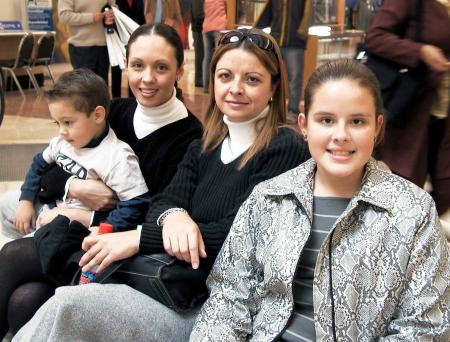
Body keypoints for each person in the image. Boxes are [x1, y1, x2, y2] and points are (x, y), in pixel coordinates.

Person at [13, 28, 310, 341]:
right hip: (163, 271)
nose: (235, 89)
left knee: (66, 302)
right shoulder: (205, 146)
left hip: (208, 300)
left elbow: (240, 233)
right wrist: (174, 216)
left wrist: (141, 238)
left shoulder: (283, 147)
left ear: (274, 86)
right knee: (28, 295)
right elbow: (162, 202)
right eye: (225, 76)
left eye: (252, 79)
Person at [190, 59, 450, 341]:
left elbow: (426, 328)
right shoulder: (268, 198)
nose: (341, 135)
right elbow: (228, 300)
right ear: (304, 124)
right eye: (326, 120)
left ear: (377, 127)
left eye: (357, 121)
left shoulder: (412, 211)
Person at [0, 23, 203, 339]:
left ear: (179, 69)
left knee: (14, 258)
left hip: (119, 244)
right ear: (126, 64)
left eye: (160, 67)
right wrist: (75, 187)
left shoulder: (190, 138)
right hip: (76, 225)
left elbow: (156, 214)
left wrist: (90, 215)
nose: (146, 78)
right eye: (137, 66)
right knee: (24, 298)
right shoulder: (115, 112)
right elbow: (56, 166)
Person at [10, 68, 150, 239]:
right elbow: (39, 164)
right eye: (57, 123)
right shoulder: (64, 141)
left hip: (75, 230)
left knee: (12, 255)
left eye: (68, 122)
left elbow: (137, 205)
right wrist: (25, 201)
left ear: (97, 115)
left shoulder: (117, 157)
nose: (62, 131)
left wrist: (104, 229)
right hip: (51, 208)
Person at [365, 0, 450, 219]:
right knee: (401, 187)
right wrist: (420, 52)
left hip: (442, 109)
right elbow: (375, 37)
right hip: (410, 108)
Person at [255, 0, 312, 123]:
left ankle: (293, 111)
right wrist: (255, 31)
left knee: (295, 79)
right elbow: (267, 15)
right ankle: (268, 108)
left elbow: (309, 15)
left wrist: (302, 34)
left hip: (295, 42)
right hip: (276, 42)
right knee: (270, 76)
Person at [58, 0, 115, 84]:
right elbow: (64, 16)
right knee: (84, 88)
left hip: (103, 45)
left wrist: (111, 15)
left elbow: (113, 7)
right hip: (81, 47)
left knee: (102, 87)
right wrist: (92, 17)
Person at [111, 0, 146, 98]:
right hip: (118, 38)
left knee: (133, 67)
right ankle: (116, 98)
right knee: (116, 70)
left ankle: (132, 97)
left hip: (134, 37)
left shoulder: (139, 1)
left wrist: (144, 34)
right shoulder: (115, 1)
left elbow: (141, 18)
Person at [202, 0, 227, 92]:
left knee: (207, 58)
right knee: (218, 57)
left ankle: (206, 86)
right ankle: (215, 86)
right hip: (219, 27)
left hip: (207, 27)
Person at [191, 0, 204, 87]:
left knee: (201, 55)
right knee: (200, 55)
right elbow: (198, 14)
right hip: (198, 29)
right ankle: (199, 80)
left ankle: (200, 79)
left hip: (199, 28)